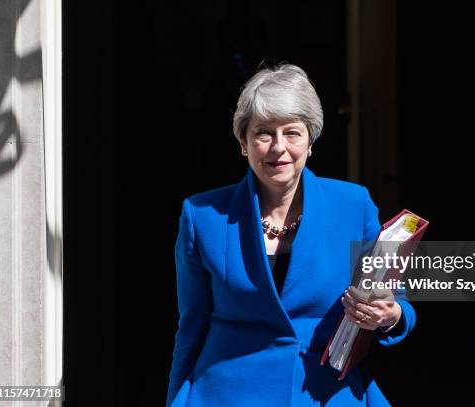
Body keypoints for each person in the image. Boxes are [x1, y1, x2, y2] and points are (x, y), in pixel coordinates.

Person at [166, 64, 416, 407]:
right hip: (226, 394)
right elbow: (191, 327)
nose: (278, 147)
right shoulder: (202, 215)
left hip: (323, 393)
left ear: (310, 141)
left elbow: (397, 299)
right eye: (264, 133)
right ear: (243, 143)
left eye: (292, 133)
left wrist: (390, 316)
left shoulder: (353, 205)